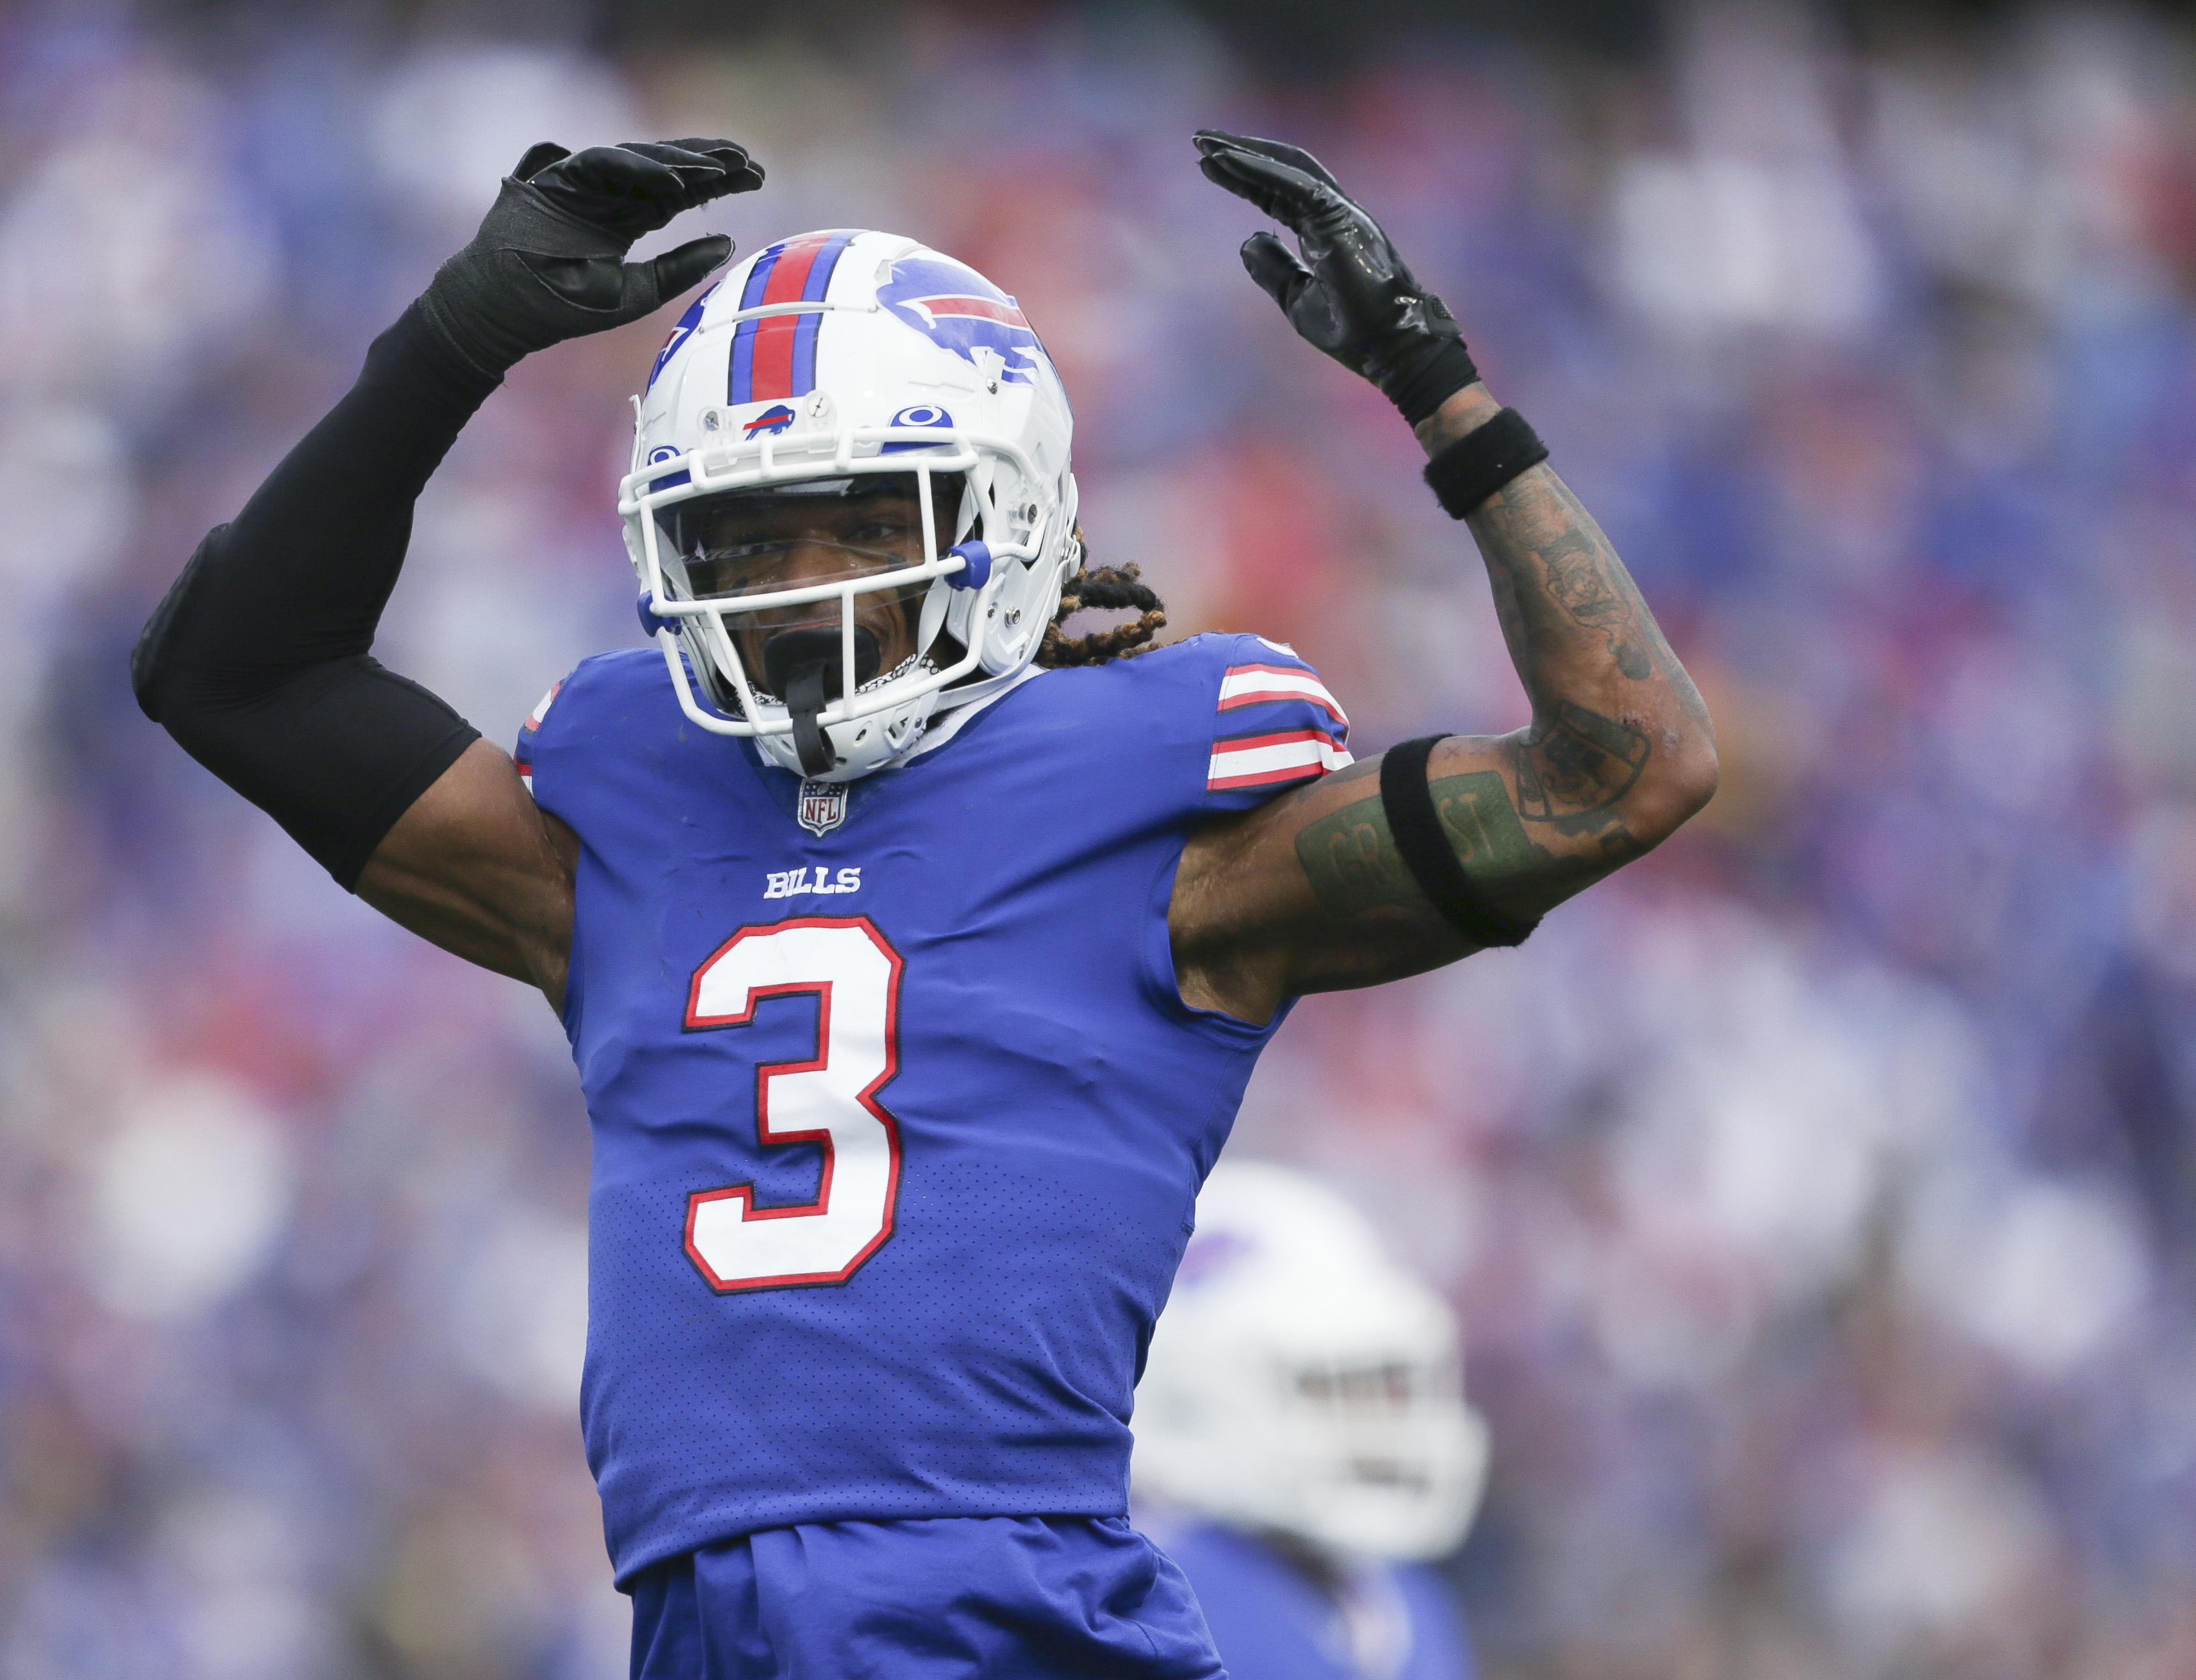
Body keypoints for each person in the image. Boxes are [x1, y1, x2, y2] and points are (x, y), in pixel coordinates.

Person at [132, 130, 1714, 1677]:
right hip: (704, 1619)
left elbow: (1622, 768)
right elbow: (231, 672)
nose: (806, 581)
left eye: (869, 522)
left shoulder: (1173, 831)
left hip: (1009, 1605)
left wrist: (1441, 393)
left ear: (1001, 514)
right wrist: (454, 338)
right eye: (744, 536)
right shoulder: (616, 831)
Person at [1135, 1161, 1489, 1680]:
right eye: (1334, 1386)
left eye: (1392, 1386)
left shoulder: (1401, 1600)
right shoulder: (1141, 1602)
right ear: (1186, 1392)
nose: (1384, 1423)